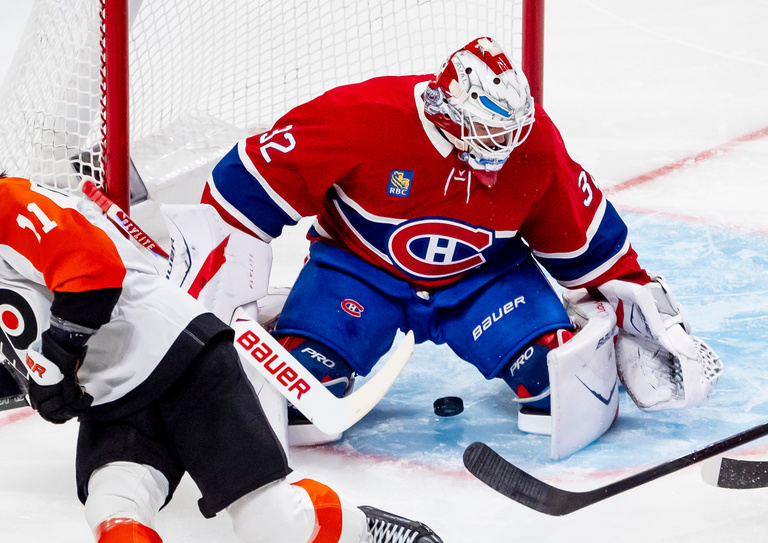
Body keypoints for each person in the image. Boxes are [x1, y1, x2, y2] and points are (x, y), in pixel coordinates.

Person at [0, 119, 447, 543]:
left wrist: (59, 355)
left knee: (268, 521)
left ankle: (369, 528)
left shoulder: (1, 207)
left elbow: (94, 274)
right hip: (118, 393)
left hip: (182, 359)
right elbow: (34, 356)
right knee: (115, 498)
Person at [196, 36, 723, 457]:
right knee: (298, 399)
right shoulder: (365, 115)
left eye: (510, 131)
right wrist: (220, 297)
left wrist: (642, 306)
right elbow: (243, 186)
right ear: (447, 113)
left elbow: (586, 239)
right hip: (360, 272)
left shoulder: (531, 144)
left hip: (482, 281)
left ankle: (550, 340)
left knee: (555, 389)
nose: (504, 147)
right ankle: (302, 333)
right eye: (489, 133)